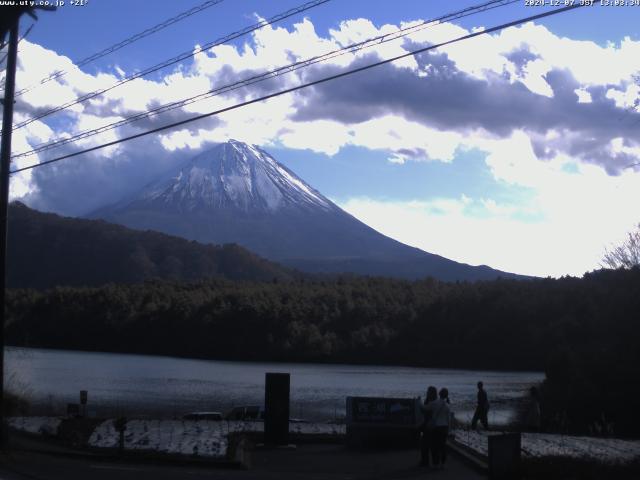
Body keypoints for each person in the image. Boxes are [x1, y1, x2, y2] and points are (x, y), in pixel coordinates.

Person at [424, 387, 451, 469]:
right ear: (446, 396)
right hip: (444, 427)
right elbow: (448, 419)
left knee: (434, 445)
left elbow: (425, 408)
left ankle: (435, 463)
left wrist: (418, 402)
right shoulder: (447, 405)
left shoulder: (434, 403)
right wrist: (449, 430)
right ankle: (443, 463)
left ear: (439, 394)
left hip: (436, 427)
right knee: (443, 446)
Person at [419, 386, 438, 467]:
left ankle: (425, 462)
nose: (427, 392)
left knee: (425, 444)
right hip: (432, 425)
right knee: (432, 445)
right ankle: (434, 462)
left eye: (428, 391)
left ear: (431, 393)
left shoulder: (431, 402)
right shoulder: (436, 401)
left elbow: (424, 410)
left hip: (429, 426)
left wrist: (419, 402)